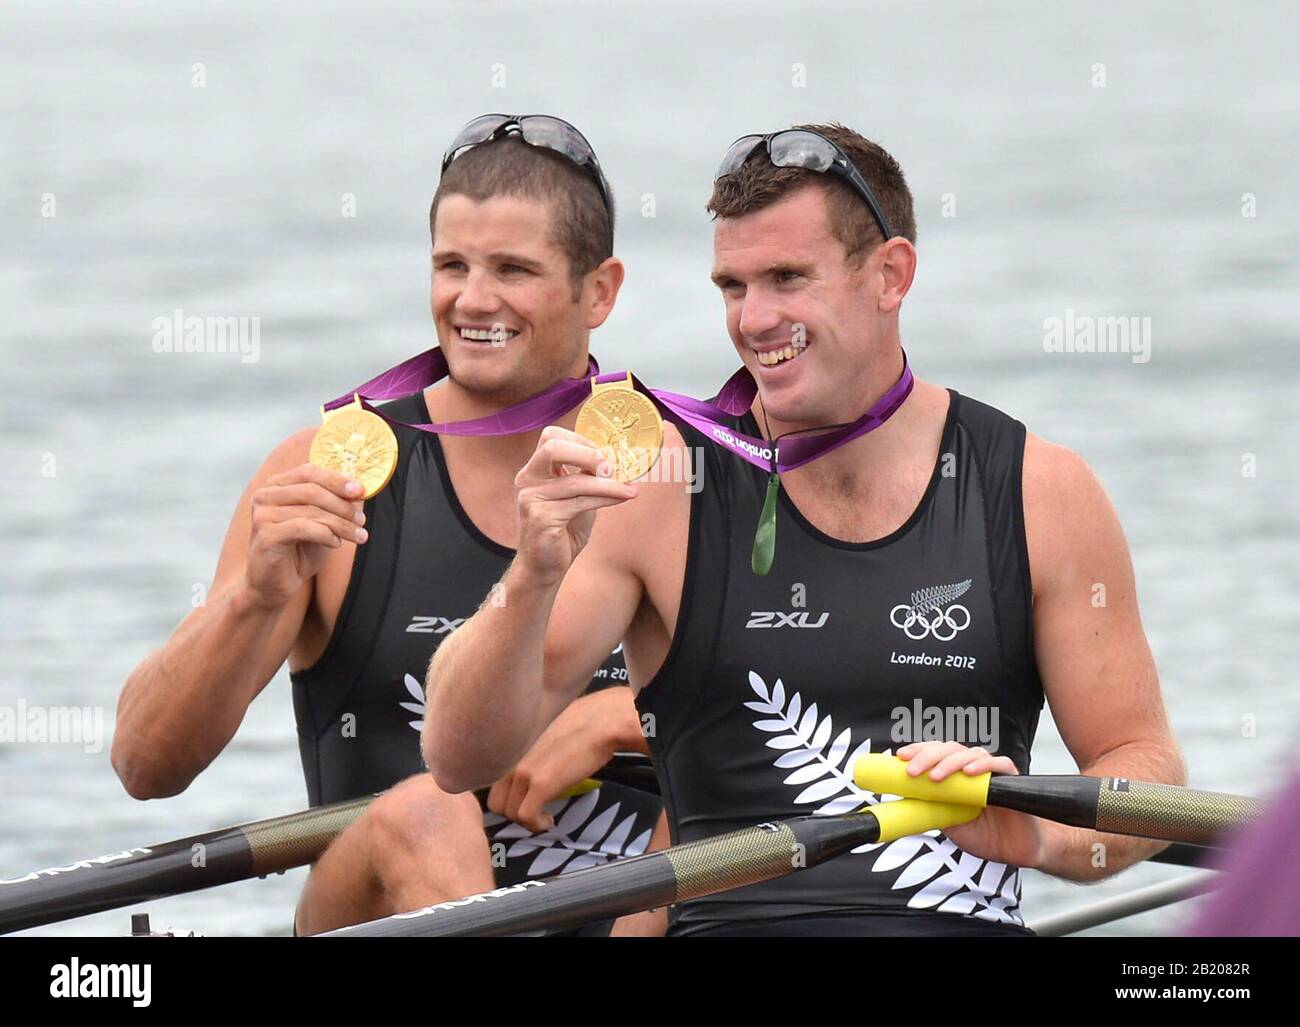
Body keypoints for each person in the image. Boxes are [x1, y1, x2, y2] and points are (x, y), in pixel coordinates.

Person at [424, 123, 1187, 937]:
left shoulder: (1039, 489)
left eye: (787, 279)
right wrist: (529, 580)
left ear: (890, 275)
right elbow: (460, 756)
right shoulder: (658, 485)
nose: (754, 319)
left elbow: (1151, 779)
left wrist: (1036, 834)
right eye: (732, 286)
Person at [111, 114, 661, 935]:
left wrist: (625, 716)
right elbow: (146, 765)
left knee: (716, 800)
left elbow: (827, 702)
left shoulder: (674, 471)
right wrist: (255, 599)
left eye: (512, 268)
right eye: (451, 265)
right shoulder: (332, 473)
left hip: (634, 916)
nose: (473, 300)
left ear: (600, 291)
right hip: (379, 899)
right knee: (424, 812)